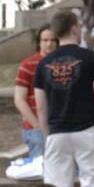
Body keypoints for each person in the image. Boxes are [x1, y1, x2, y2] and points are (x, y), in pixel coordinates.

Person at [34, 9, 94, 187]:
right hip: (88, 130)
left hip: (57, 133)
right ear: (75, 28)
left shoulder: (43, 64)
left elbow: (41, 107)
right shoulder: (93, 58)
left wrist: (47, 136)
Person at [11, 24, 59, 170]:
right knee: (40, 172)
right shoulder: (28, 65)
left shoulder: (63, 63)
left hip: (59, 126)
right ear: (39, 42)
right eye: (45, 40)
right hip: (35, 128)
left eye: (52, 40)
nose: (49, 44)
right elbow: (19, 99)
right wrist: (37, 125)